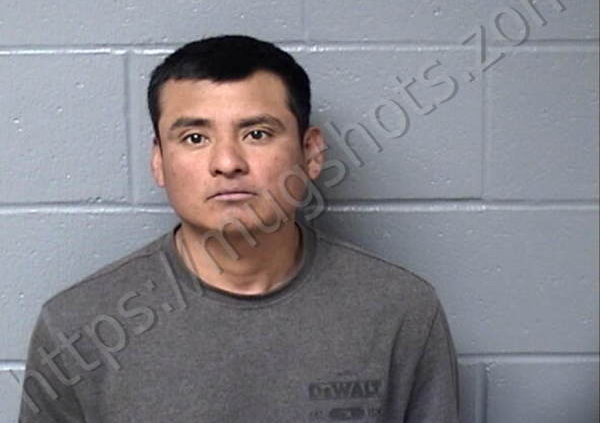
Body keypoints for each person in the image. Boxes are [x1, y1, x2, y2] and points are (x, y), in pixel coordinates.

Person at [18, 35, 460, 422]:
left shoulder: (400, 311)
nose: (227, 163)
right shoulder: (77, 328)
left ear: (310, 152)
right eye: (195, 138)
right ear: (159, 161)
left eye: (257, 134)